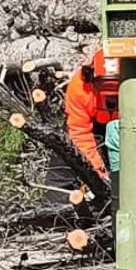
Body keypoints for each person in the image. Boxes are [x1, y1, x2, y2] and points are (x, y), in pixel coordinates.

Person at [44, 49, 120, 200]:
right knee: (65, 153)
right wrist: (98, 174)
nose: (109, 93)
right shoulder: (80, 88)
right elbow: (80, 134)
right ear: (90, 76)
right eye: (103, 84)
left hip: (127, 130)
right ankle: (57, 213)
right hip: (92, 129)